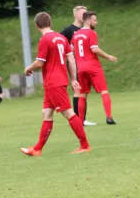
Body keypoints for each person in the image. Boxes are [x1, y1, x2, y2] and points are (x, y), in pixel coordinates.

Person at [20, 12, 91, 156]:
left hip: (53, 82)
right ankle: (37, 149)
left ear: (36, 26)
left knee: (68, 113)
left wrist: (28, 68)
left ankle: (85, 145)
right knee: (46, 113)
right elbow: (71, 59)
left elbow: (40, 63)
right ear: (50, 23)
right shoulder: (62, 38)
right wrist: (73, 79)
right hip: (57, 81)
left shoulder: (45, 40)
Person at [72, 11, 118, 125]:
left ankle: (81, 120)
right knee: (104, 91)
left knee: (82, 94)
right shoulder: (91, 33)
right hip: (93, 66)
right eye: (94, 20)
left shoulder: (75, 34)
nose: (96, 23)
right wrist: (108, 56)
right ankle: (109, 117)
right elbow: (94, 49)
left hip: (81, 68)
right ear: (87, 20)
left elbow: (72, 50)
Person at [60, 5, 96, 126]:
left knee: (84, 91)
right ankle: (79, 119)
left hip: (86, 64)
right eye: (83, 13)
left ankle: (82, 119)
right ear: (76, 15)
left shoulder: (89, 29)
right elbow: (59, 44)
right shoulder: (68, 30)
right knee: (78, 91)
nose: (85, 16)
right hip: (75, 65)